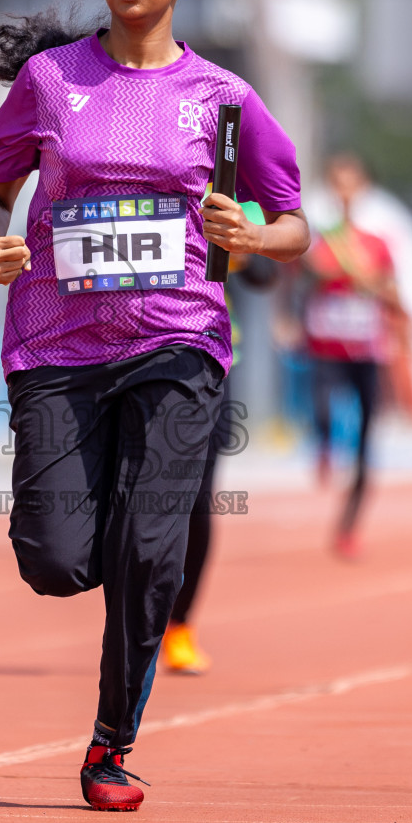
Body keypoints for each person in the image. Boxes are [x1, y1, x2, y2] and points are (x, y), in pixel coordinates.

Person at [0, 0, 308, 812]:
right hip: (57, 344)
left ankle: (110, 745)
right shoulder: (47, 82)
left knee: (152, 547)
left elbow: (294, 225)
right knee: (53, 560)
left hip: (178, 341)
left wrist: (256, 233)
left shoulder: (225, 101)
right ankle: (112, 535)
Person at [161, 252, 273, 676]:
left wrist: (235, 244)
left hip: (212, 365)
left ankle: (180, 624)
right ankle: (137, 614)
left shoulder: (229, 195)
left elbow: (265, 272)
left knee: (197, 500)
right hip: (134, 358)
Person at [299, 154, 399, 559]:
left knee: (366, 442)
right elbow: (308, 275)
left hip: (367, 350)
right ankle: (323, 443)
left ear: (362, 188)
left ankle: (348, 528)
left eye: (350, 182)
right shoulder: (320, 237)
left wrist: (370, 282)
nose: (343, 191)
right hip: (326, 346)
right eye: (336, 182)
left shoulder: (378, 243)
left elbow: (393, 293)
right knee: (323, 410)